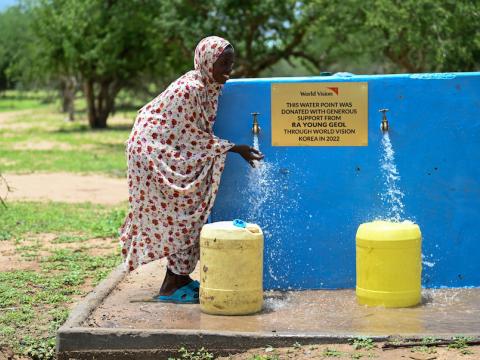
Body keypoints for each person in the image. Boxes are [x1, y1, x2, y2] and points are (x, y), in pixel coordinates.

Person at [119, 36, 264, 303]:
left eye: (230, 64)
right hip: (153, 153)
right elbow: (185, 133)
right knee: (184, 213)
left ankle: (180, 278)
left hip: (168, 149)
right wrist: (233, 148)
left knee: (189, 212)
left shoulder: (208, 86)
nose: (228, 71)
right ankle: (171, 286)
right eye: (223, 64)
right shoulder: (191, 89)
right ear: (207, 62)